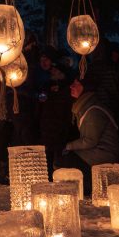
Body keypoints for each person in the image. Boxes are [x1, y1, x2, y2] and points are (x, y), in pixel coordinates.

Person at [58, 78, 119, 192]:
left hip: (103, 153)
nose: (72, 86)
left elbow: (90, 140)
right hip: (96, 151)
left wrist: (68, 146)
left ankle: (83, 191)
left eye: (76, 84)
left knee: (66, 161)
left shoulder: (93, 111)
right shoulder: (85, 108)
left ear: (86, 89)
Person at [36, 45, 74, 174]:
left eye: (56, 71)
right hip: (47, 124)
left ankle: (59, 175)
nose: (53, 73)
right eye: (52, 72)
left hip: (62, 125)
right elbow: (41, 99)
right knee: (48, 153)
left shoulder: (68, 88)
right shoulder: (46, 85)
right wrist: (44, 94)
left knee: (59, 153)